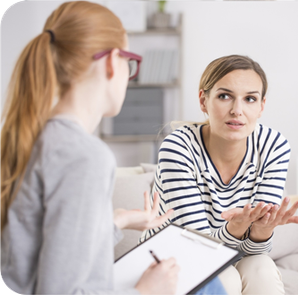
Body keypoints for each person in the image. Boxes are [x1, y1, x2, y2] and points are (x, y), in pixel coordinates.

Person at [0, 1, 181, 294]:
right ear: (112, 61)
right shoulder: (84, 156)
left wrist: (118, 219)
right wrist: (147, 292)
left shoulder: (30, 137)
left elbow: (42, 249)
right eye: (130, 62)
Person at [140, 54, 298, 294]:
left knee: (261, 268)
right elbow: (198, 248)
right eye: (224, 96)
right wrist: (236, 229)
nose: (237, 110)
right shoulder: (178, 147)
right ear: (203, 100)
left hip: (227, 252)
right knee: (225, 278)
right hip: (169, 258)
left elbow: (256, 251)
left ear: (261, 106)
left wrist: (262, 231)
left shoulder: (273, 145)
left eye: (250, 99)